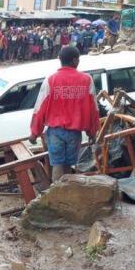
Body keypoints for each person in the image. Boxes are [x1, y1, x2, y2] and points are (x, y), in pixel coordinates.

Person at [30, 46, 99, 182]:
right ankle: (65, 193)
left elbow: (39, 108)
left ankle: (56, 194)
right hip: (74, 133)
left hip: (55, 132)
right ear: (74, 60)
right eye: (78, 59)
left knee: (57, 164)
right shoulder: (86, 80)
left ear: (60, 60)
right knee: (68, 165)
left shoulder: (50, 80)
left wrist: (34, 132)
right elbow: (93, 110)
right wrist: (92, 132)